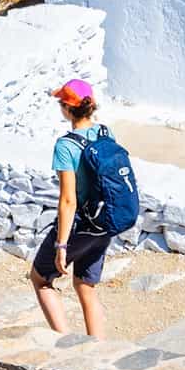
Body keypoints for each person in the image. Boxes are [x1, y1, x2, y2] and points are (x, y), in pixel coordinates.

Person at [30, 78, 113, 337]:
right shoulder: (105, 133)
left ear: (67, 108)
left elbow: (68, 200)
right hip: (105, 221)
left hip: (79, 224)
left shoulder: (65, 146)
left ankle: (66, 344)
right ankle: (97, 347)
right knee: (85, 285)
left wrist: (61, 247)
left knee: (41, 279)